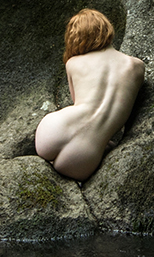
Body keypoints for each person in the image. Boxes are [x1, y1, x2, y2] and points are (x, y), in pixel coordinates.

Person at [35, 9, 145, 183]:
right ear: (106, 29)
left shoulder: (73, 63)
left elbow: (76, 101)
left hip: (54, 130)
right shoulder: (137, 67)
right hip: (85, 157)